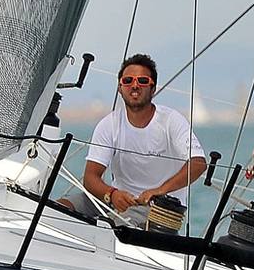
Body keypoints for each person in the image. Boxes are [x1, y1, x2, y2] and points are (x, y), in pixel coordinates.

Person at [75, 53, 207, 226]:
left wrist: (159, 191)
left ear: (153, 88)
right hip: (116, 201)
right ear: (120, 88)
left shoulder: (171, 120)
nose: (135, 85)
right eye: (128, 80)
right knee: (59, 209)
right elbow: (91, 177)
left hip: (159, 208)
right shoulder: (108, 125)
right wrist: (112, 194)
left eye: (143, 81)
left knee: (115, 228)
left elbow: (198, 163)